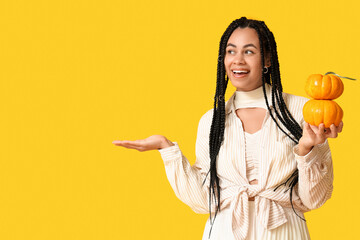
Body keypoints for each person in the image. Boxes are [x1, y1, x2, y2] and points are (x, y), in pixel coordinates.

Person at [113, 17, 343, 240]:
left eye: (249, 51)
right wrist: (167, 149)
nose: (238, 60)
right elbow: (204, 200)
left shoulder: (302, 111)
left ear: (268, 59)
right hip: (224, 231)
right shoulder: (212, 120)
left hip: (284, 231)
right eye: (231, 51)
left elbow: (314, 199)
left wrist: (307, 149)